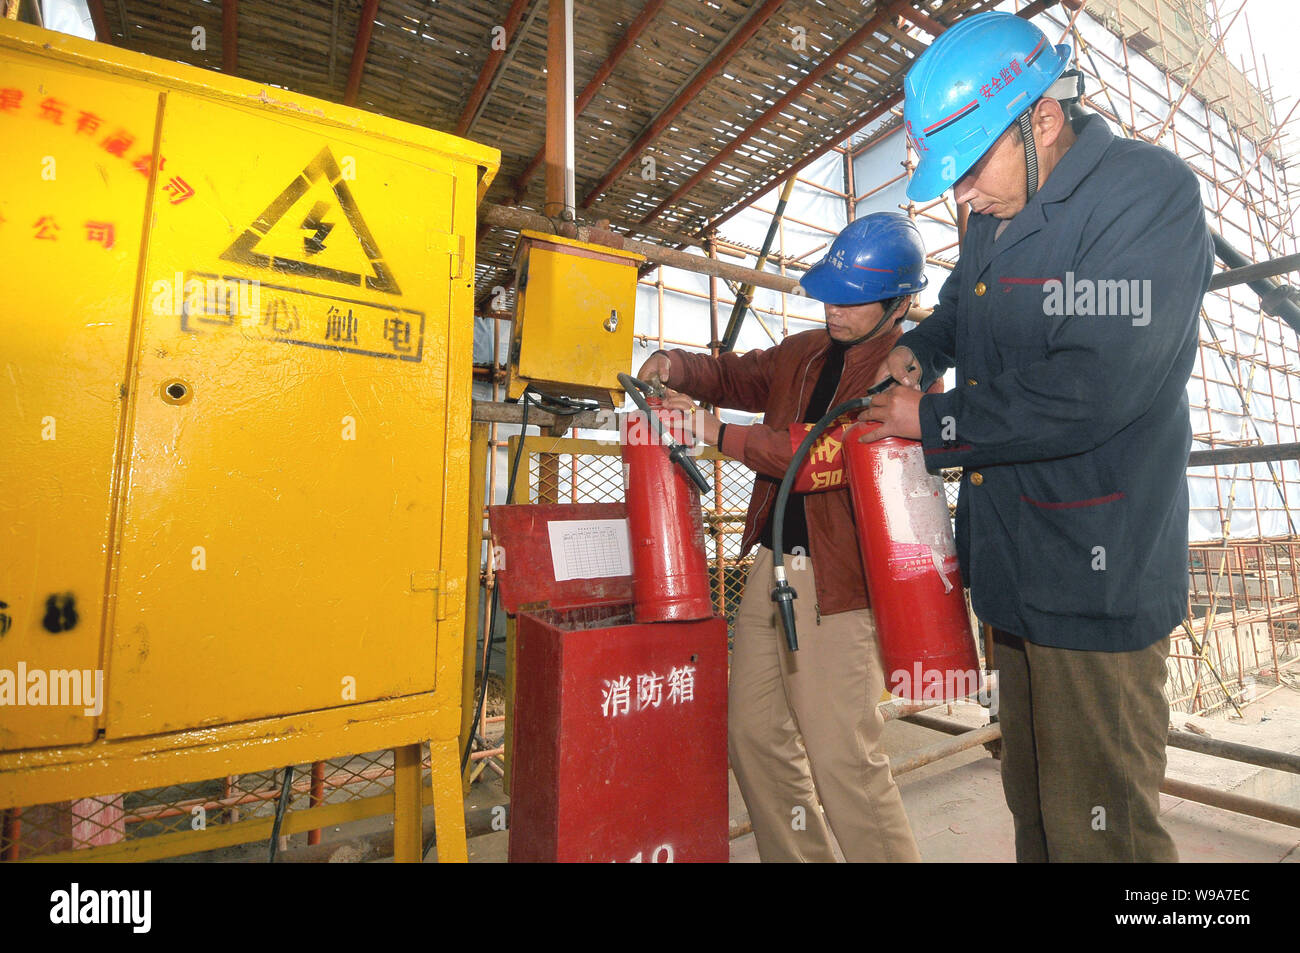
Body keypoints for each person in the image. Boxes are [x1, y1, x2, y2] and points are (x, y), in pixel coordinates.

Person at [862, 12, 1213, 862]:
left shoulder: (1146, 194)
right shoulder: (997, 209)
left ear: (1043, 119)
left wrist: (935, 420)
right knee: (1035, 807)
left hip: (1095, 571)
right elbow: (961, 310)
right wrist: (916, 349)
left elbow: (1093, 385)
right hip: (1014, 566)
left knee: (1104, 827)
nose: (963, 196)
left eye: (971, 168)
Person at [636, 212, 927, 862]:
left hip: (840, 583)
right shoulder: (804, 352)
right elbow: (738, 375)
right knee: (755, 735)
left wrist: (715, 432)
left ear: (900, 302)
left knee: (842, 756)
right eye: (831, 292)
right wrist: (676, 365)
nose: (835, 308)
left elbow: (824, 455)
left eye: (854, 299)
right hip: (774, 565)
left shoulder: (906, 372)